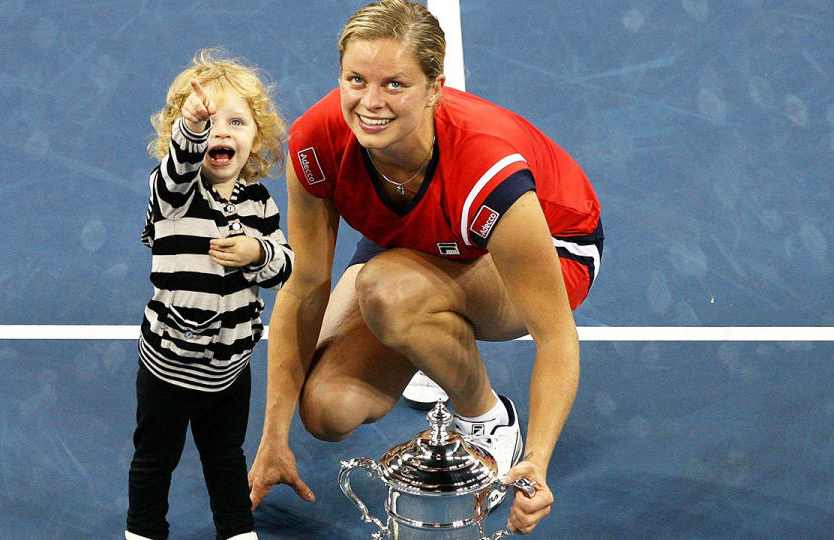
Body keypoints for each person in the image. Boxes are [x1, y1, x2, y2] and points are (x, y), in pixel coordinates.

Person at [248, 0, 603, 535]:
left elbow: (556, 338)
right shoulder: (317, 142)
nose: (370, 102)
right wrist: (273, 438)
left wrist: (538, 460)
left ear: (435, 87)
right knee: (326, 410)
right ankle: (427, 336)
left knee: (388, 292)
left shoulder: (487, 167)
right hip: (416, 239)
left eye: (395, 84)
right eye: (355, 80)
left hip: (550, 245)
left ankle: (485, 415)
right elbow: (305, 288)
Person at [126, 49, 292, 540]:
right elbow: (180, 164)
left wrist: (257, 253)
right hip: (169, 364)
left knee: (225, 457)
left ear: (255, 139)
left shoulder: (260, 202)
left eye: (237, 121)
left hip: (230, 368)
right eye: (207, 120)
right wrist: (191, 130)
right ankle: (143, 531)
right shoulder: (174, 194)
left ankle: (237, 530)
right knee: (156, 458)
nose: (221, 131)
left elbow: (285, 266)